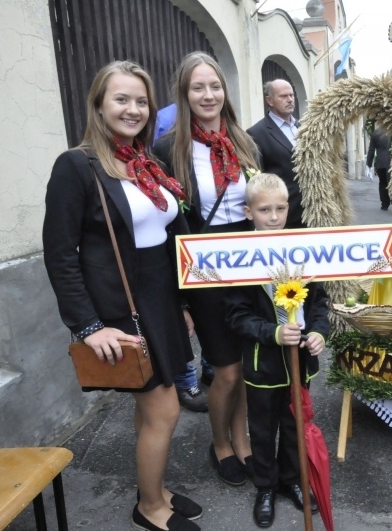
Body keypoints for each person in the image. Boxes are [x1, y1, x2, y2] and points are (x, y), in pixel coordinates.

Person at [43, 61, 201, 531]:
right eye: (121, 99)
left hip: (161, 298)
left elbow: (169, 233)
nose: (133, 109)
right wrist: (88, 325)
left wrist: (185, 304)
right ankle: (148, 507)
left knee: (149, 407)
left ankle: (154, 488)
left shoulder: (146, 160)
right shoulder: (77, 164)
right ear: (98, 104)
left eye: (140, 101)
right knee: (165, 408)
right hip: (122, 308)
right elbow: (60, 254)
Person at [153, 51, 258, 486]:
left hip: (249, 264)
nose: (208, 94)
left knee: (248, 366)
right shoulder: (167, 148)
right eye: (198, 87)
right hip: (203, 270)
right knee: (226, 369)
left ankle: (245, 441)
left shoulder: (244, 140)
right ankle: (219, 443)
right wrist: (180, 299)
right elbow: (167, 227)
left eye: (214, 86)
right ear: (184, 93)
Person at [224, 173, 328, 528]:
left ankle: (292, 479)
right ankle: (265, 486)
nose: (273, 216)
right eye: (264, 209)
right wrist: (272, 332)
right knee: (264, 428)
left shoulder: (304, 249)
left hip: (300, 360)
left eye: (280, 208)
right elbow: (237, 315)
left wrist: (318, 333)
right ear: (248, 211)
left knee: (295, 423)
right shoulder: (239, 257)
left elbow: (320, 302)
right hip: (263, 363)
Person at [153, 102, 213, 412]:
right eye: (197, 87)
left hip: (198, 250)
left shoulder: (220, 134)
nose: (206, 95)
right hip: (172, 248)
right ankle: (186, 381)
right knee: (180, 321)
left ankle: (208, 368)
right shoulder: (165, 133)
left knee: (198, 318)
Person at [247, 79, 304, 228]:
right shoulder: (256, 133)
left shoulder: (303, 127)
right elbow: (257, 179)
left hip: (311, 214)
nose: (290, 99)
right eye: (283, 96)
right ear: (269, 100)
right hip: (281, 218)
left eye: (291, 95)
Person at [366, 128, 392, 210]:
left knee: (382, 183)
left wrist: (369, 164)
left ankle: (384, 204)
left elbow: (371, 150)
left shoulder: (375, 133)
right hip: (391, 161)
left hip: (380, 163)